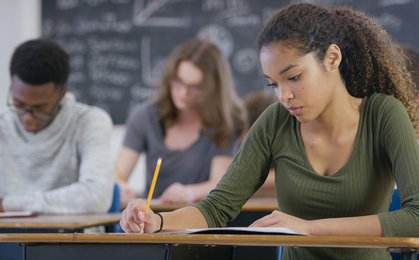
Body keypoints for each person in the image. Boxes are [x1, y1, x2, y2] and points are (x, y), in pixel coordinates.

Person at [120, 3, 419, 259]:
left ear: (332, 58)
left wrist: (308, 228)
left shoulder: (382, 114)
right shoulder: (276, 121)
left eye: (294, 77)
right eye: (273, 84)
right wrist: (157, 221)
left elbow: (416, 215)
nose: (283, 96)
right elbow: (215, 209)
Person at [115, 38, 246, 205]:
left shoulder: (225, 123)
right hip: (151, 219)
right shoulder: (145, 117)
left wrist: (190, 192)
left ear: (213, 88)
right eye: (178, 82)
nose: (183, 92)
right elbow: (119, 174)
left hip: (200, 220)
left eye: (195, 87)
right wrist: (120, 187)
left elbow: (220, 184)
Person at [0, 39, 114, 214]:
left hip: (71, 238)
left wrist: (7, 205)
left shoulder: (89, 122)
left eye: (40, 108)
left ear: (62, 93)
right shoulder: (3, 125)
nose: (28, 118)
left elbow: (96, 197)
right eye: (19, 104)